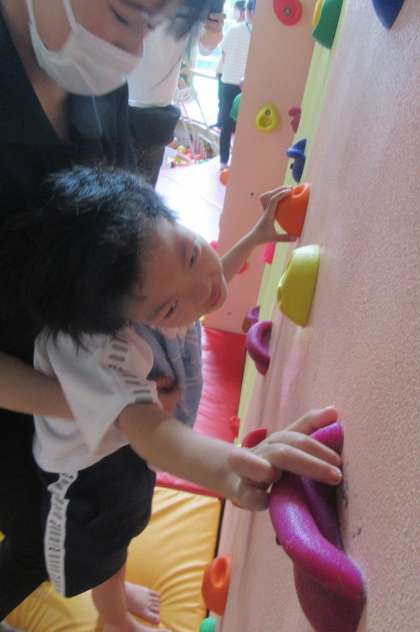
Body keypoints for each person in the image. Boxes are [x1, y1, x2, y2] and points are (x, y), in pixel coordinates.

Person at [0, 165, 343, 632]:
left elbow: (206, 285)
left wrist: (256, 237)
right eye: (169, 308)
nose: (203, 289)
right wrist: (232, 466)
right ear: (123, 321)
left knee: (129, 524)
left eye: (192, 253)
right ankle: (114, 617)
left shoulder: (155, 278)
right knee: (103, 548)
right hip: (85, 482)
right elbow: (152, 434)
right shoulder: (101, 351)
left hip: (124, 454)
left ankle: (115, 590)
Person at [0, 0, 214, 622]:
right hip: (25, 400)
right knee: (40, 540)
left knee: (112, 502)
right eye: (125, 15)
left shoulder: (94, 80)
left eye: (153, 27)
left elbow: (128, 241)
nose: (133, 50)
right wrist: (90, 402)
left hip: (94, 378)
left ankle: (111, 601)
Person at [128, 10, 224, 186]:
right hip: (116, 104)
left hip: (156, 115)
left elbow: (206, 45)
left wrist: (214, 28)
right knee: (111, 189)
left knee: (144, 190)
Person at [219, 0, 255, 169]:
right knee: (243, 125)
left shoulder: (233, 30)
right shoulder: (261, 34)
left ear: (248, 11)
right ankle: (238, 163)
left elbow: (223, 55)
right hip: (245, 85)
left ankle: (223, 162)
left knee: (226, 124)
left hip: (228, 82)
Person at [213, 1, 245, 129]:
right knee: (225, 105)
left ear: (243, 12)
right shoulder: (236, 29)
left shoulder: (235, 29)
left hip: (228, 75)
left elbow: (224, 52)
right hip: (228, 74)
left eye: (235, 10)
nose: (233, 13)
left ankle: (223, 124)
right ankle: (221, 123)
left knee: (225, 105)